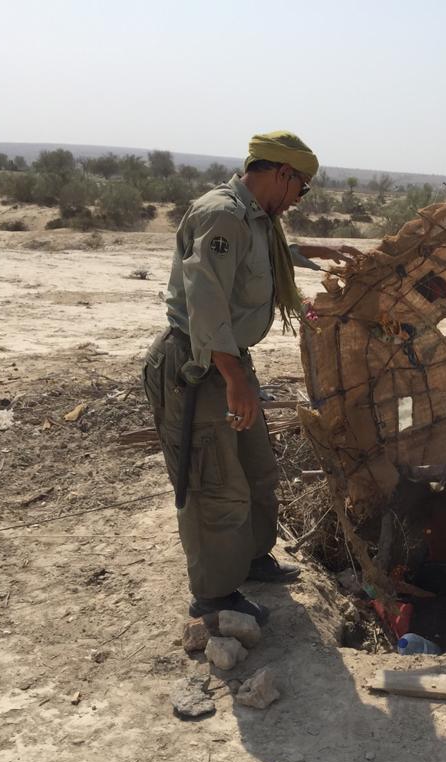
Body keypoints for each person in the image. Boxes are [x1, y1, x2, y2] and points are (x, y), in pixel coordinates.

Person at [142, 131, 359, 623]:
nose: (300, 199)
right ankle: (215, 597)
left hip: (231, 361)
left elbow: (262, 257)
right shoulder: (222, 214)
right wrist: (234, 377)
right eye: (301, 189)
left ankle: (252, 559)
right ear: (283, 174)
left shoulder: (256, 219)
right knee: (214, 481)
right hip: (201, 367)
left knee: (257, 467)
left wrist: (315, 251)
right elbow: (206, 302)